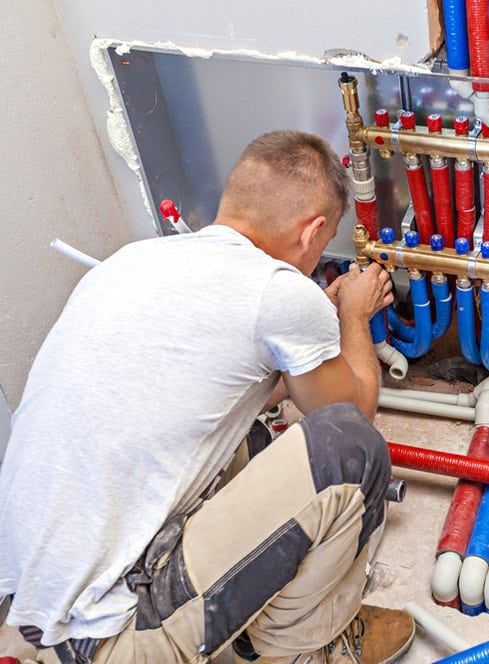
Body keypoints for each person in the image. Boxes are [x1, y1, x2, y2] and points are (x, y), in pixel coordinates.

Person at [0, 131, 416, 663]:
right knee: (348, 450)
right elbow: (350, 410)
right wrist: (352, 317)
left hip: (39, 610)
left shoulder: (134, 260)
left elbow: (224, 394)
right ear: (314, 231)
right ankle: (301, 650)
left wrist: (309, 339)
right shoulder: (279, 290)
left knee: (256, 439)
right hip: (118, 634)